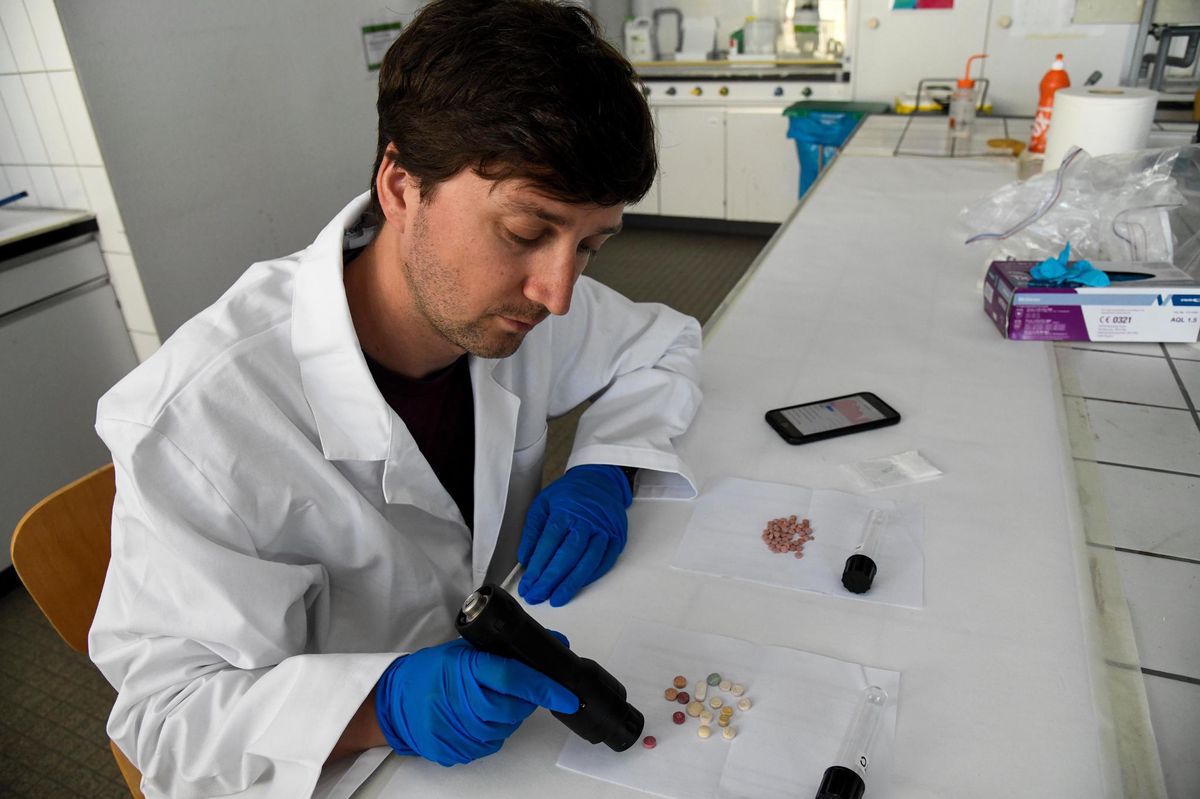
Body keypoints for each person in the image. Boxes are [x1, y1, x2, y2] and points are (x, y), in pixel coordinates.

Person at [88, 0, 702, 796]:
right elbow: (165, 721)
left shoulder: (514, 310)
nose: (557, 292)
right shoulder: (197, 420)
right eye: (524, 231)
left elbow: (666, 342)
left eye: (590, 245)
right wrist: (379, 706)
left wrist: (608, 466)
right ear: (401, 185)